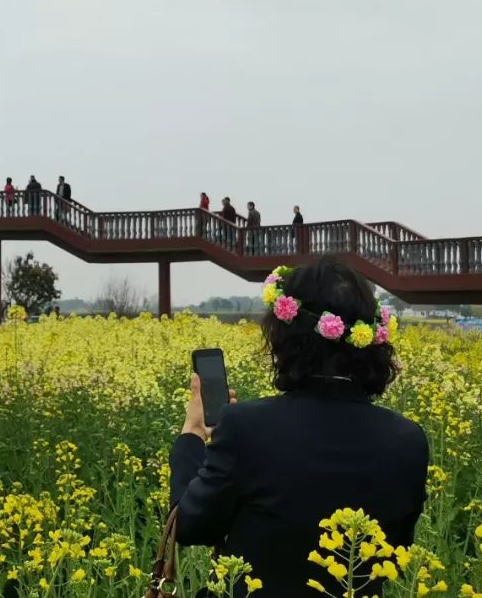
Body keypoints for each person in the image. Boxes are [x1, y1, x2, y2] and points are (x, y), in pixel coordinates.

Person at [170, 256, 427, 598]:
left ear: (286, 337)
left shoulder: (245, 427)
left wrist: (192, 438)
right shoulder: (408, 440)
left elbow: (189, 525)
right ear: (371, 341)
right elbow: (396, 549)